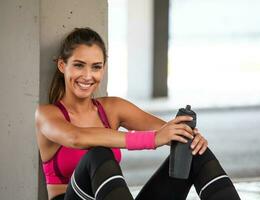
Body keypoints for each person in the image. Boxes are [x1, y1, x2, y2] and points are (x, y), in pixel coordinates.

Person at [35, 27, 241, 200]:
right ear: (63, 66)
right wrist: (153, 139)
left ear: (103, 68)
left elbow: (170, 132)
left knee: (192, 148)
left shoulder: (112, 108)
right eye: (79, 65)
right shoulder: (47, 115)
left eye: (96, 67)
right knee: (99, 152)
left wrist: (191, 137)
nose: (88, 76)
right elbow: (76, 137)